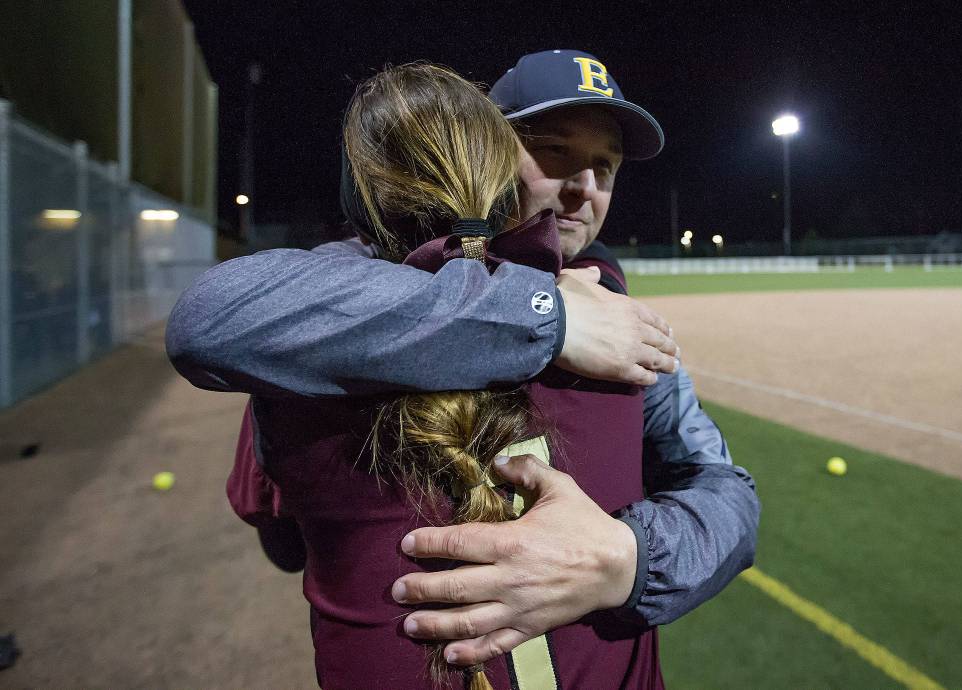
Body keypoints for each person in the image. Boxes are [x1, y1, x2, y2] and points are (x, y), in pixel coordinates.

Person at [167, 49, 759, 670]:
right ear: (481, 150)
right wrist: (547, 317)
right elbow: (208, 320)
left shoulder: (618, 315)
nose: (584, 188)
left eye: (605, 167)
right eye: (555, 150)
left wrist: (628, 559)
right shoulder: (343, 292)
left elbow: (727, 494)